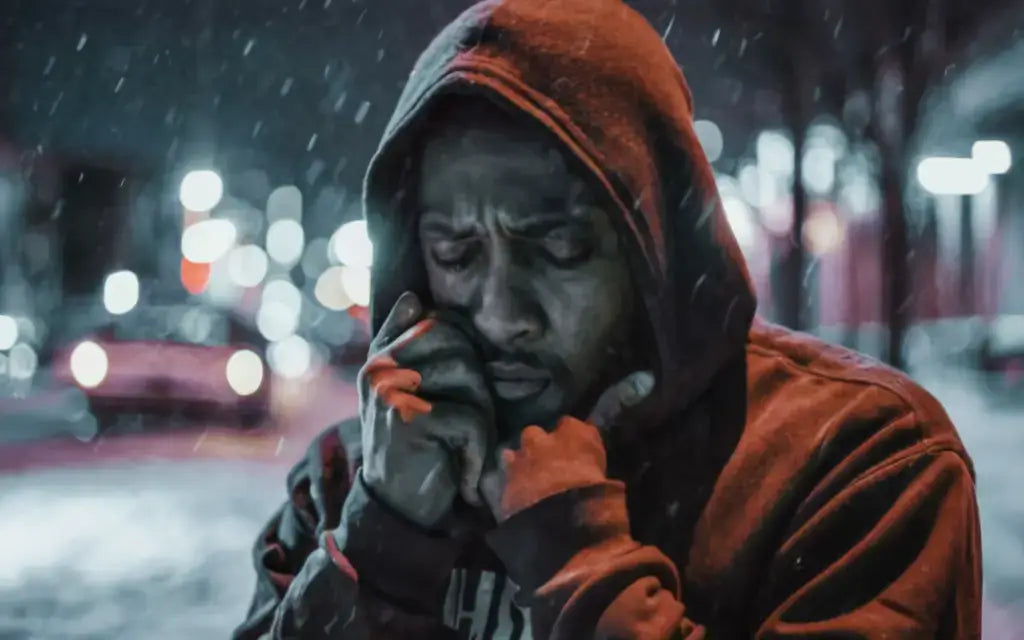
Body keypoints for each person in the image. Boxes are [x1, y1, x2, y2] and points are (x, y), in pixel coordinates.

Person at [234, 0, 982, 637]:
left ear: (655, 247)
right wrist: (385, 537)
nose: (502, 315)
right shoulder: (356, 473)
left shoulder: (854, 463)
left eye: (558, 247)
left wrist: (577, 556)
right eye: (456, 252)